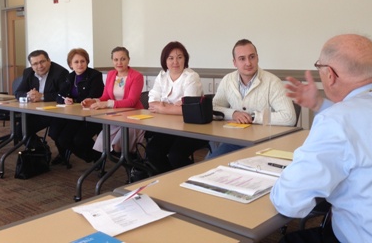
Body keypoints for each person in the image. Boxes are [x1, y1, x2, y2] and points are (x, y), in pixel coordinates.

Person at [270, 34, 372, 243]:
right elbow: (363, 123)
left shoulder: (336, 121)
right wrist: (319, 104)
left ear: (330, 74)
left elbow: (288, 201)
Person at [207, 39, 296, 158]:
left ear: (257, 58)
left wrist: (254, 117)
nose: (248, 63)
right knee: (210, 163)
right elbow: (213, 108)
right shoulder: (228, 80)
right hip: (235, 141)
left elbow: (289, 117)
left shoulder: (273, 82)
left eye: (252, 57)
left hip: (266, 144)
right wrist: (233, 114)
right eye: (242, 59)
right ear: (235, 62)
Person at [145, 41, 207, 173]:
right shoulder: (162, 76)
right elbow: (152, 102)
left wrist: (163, 108)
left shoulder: (191, 77)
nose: (175, 62)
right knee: (152, 151)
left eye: (180, 57)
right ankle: (169, 178)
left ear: (185, 59)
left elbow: (188, 110)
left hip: (192, 129)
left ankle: (192, 178)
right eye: (171, 58)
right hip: (169, 127)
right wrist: (175, 107)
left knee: (176, 155)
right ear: (165, 60)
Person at [83, 47, 144, 155]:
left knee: (118, 146)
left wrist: (107, 104)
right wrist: (94, 101)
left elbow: (131, 101)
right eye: (116, 60)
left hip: (133, 117)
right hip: (115, 116)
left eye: (123, 59)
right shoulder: (111, 74)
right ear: (112, 61)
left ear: (128, 60)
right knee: (104, 144)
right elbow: (106, 96)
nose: (119, 62)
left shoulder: (136, 76)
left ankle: (134, 165)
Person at [49, 48, 104, 165]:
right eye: (76, 62)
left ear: (87, 62)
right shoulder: (69, 77)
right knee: (53, 132)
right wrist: (65, 100)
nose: (80, 64)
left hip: (90, 116)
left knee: (71, 139)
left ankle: (95, 156)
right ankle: (67, 155)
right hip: (71, 114)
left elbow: (93, 97)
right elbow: (59, 95)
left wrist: (74, 100)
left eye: (82, 61)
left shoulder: (95, 76)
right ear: (70, 64)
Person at [14, 50, 68, 140]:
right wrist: (29, 95)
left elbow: (63, 94)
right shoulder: (28, 72)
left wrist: (42, 96)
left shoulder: (60, 72)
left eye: (42, 62)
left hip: (54, 112)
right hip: (34, 111)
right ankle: (40, 150)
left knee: (56, 134)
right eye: (35, 64)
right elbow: (18, 92)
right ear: (31, 66)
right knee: (20, 131)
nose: (40, 66)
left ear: (49, 61)